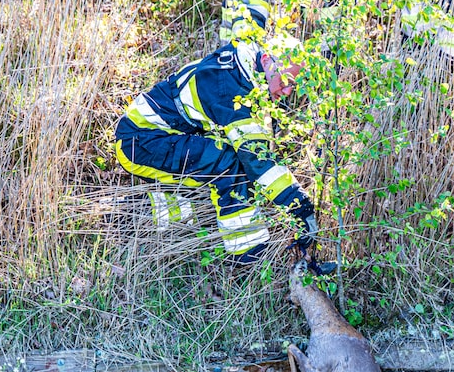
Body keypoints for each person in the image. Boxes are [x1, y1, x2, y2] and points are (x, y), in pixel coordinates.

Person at [114, 41, 331, 272]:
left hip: (154, 136)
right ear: (267, 60)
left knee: (221, 160)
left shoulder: (246, 70)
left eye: (293, 85)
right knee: (231, 166)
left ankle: (172, 244)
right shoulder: (232, 89)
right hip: (140, 142)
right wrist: (298, 204)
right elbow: (257, 160)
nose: (286, 91)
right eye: (285, 82)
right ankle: (249, 260)